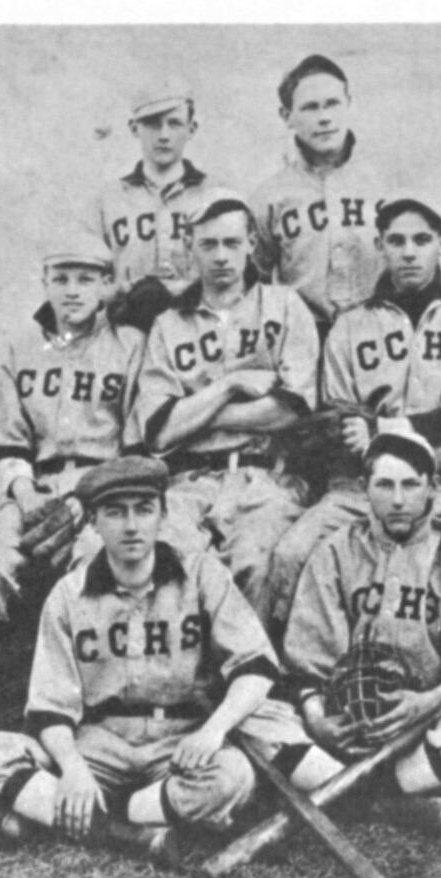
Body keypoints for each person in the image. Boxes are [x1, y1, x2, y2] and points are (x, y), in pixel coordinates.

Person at [0, 457, 342, 862]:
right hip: (100, 739)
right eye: (115, 513)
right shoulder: (69, 594)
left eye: (144, 510)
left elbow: (255, 668)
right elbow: (50, 709)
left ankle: (76, 812)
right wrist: (72, 768)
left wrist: (212, 732)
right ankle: (133, 834)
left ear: (163, 515)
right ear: (94, 523)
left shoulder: (202, 575)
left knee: (232, 777)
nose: (132, 525)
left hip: (178, 737)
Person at [264, 195, 441, 630]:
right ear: (380, 246)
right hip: (361, 487)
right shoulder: (351, 324)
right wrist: (437, 448)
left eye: (421, 240)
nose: (408, 252)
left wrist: (380, 428)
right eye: (396, 241)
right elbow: (340, 426)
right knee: (291, 552)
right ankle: (290, 678)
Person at [0, 238, 145, 736]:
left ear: (106, 285)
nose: (73, 290)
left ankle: (91, 715)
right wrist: (26, 493)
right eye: (61, 279)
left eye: (86, 279)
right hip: (34, 486)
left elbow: (139, 445)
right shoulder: (21, 346)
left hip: (104, 489)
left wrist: (88, 499)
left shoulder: (130, 345)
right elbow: (8, 441)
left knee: (94, 569)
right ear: (45, 284)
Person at [283, 430, 441, 834]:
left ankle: (353, 800)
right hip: (342, 731)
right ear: (365, 488)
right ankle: (386, 803)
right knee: (264, 718)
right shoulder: (335, 551)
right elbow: (307, 655)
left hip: (422, 725)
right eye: (385, 485)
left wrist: (426, 703)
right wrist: (316, 718)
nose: (399, 499)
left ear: (432, 488)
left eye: (410, 484)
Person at [128, 195, 319, 611]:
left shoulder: (284, 305)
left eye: (232, 243)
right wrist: (230, 385)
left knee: (255, 561)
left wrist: (196, 413)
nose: (220, 256)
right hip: (188, 483)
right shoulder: (168, 323)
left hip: (265, 478)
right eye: (209, 244)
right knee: (164, 558)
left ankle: (252, 674)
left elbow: (291, 409)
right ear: (189, 247)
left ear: (252, 242)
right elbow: (158, 433)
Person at [249, 54, 386, 339]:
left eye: (332, 104)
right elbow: (253, 284)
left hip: (380, 335)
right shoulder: (269, 196)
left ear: (350, 103)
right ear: (286, 116)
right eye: (310, 107)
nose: (324, 118)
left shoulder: (384, 183)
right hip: (303, 340)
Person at [90, 80, 230, 331]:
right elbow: (90, 282)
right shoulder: (108, 200)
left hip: (199, 334)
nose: (163, 135)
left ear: (192, 128)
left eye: (174, 123)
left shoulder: (216, 193)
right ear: (134, 128)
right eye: (152, 124)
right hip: (127, 334)